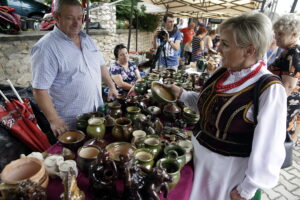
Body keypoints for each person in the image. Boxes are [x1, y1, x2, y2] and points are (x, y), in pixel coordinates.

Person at [166, 12, 286, 200]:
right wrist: (182, 94)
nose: (218, 48)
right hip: (200, 162)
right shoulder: (225, 72)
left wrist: (246, 190)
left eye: (226, 44)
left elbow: (269, 148)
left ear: (249, 50)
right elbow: (211, 108)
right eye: (220, 41)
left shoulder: (269, 89)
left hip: (227, 175)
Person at [31, 0, 118, 137]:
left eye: (79, 18)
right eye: (70, 18)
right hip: (72, 124)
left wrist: (111, 85)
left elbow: (100, 65)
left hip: (97, 115)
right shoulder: (46, 48)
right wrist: (54, 120)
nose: (77, 23)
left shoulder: (87, 39)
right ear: (57, 17)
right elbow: (39, 90)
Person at [268, 14, 300, 143]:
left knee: (276, 140)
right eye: (276, 33)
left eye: (280, 34)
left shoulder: (293, 53)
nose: (276, 37)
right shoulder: (288, 52)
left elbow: (288, 86)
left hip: (284, 107)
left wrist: (272, 107)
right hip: (285, 105)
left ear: (294, 34)